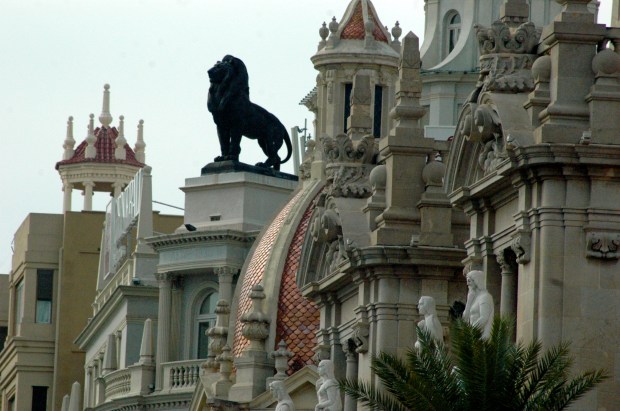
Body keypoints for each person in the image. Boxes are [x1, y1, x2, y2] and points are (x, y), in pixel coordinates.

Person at [463, 270, 494, 339]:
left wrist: (472, 331)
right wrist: (469, 301)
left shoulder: (485, 297)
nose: (467, 284)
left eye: (469, 281)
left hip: (481, 335)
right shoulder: (473, 298)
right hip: (473, 334)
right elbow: (465, 318)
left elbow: (484, 318)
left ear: (476, 281)